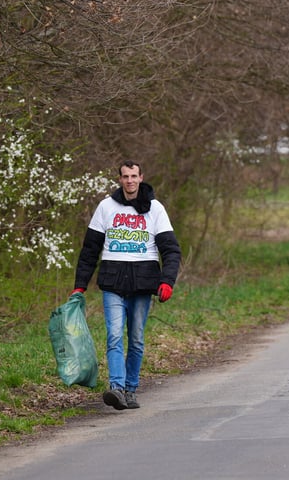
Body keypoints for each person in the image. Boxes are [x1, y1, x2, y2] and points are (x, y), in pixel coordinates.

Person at [71, 160, 181, 410]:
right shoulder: (106, 207)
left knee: (137, 339)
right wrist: (80, 285)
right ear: (119, 180)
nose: (129, 180)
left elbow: (171, 249)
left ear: (141, 177)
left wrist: (167, 281)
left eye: (134, 176)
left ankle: (131, 389)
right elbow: (90, 250)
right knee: (114, 336)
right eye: (125, 176)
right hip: (112, 281)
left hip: (143, 283)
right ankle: (117, 387)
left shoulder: (155, 209)